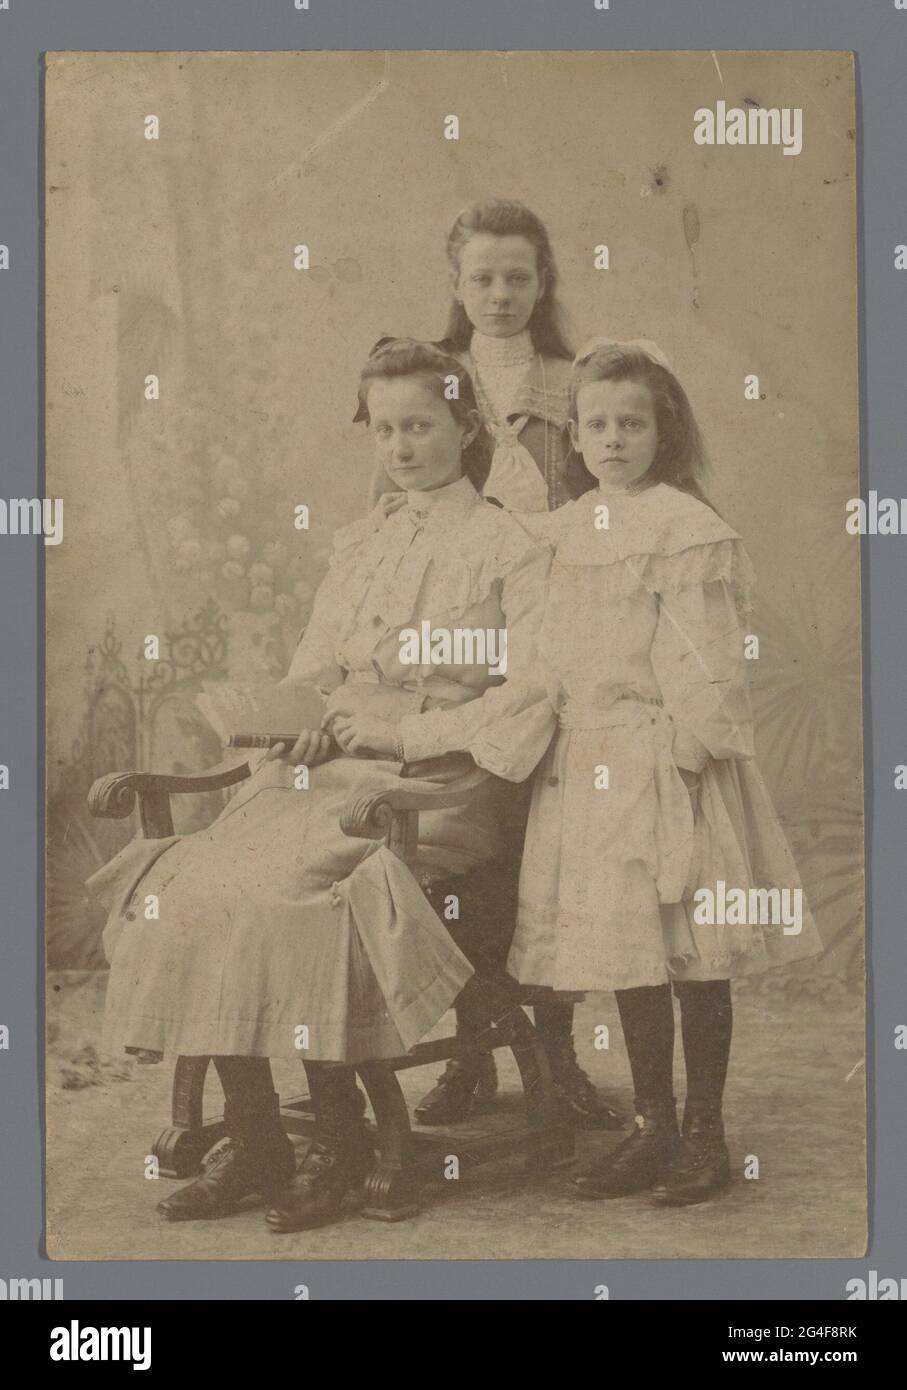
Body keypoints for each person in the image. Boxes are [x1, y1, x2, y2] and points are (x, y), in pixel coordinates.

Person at [87, 340, 557, 1232]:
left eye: (418, 425)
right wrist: (298, 717)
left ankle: (342, 1143)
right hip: (324, 772)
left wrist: (400, 730)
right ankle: (262, 1140)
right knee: (188, 883)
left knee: (295, 897)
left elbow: (527, 704)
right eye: (383, 430)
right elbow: (314, 670)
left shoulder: (512, 548)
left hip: (436, 788)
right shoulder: (363, 543)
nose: (400, 447)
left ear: (465, 426)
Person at [507, 339, 824, 1205]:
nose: (612, 439)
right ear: (573, 436)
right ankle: (653, 1125)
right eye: (597, 424)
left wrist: (683, 760)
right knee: (628, 954)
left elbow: (709, 661)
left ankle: (704, 1133)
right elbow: (543, 658)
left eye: (632, 423)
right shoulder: (562, 535)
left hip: (668, 764)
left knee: (690, 954)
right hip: (589, 765)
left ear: (663, 431)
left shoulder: (686, 531)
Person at [368, 199, 617, 1129]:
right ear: (456, 284)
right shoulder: (424, 383)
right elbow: (391, 522)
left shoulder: (574, 382)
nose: (501, 294)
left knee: (547, 865)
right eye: (483, 278)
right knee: (457, 865)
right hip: (456, 659)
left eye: (519, 276)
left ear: (543, 281)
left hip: (561, 641)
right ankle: (474, 1053)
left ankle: (554, 1059)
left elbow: (613, 502)